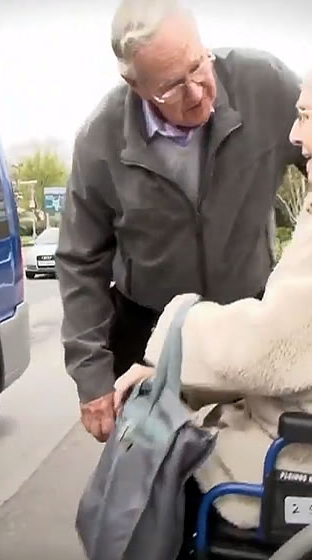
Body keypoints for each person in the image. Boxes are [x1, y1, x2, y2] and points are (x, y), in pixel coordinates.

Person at [55, 0, 306, 443]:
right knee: (157, 485)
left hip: (243, 321)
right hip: (148, 332)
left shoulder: (265, 84)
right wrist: (91, 377)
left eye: (198, 66)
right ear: (133, 83)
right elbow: (80, 260)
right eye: (171, 87)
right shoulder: (99, 139)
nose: (197, 93)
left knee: (246, 476)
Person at [113, 68, 312, 532]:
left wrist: (177, 327)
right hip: (284, 425)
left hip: (289, 455)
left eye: (305, 116)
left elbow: (268, 346)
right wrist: (172, 370)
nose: (294, 135)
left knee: (154, 476)